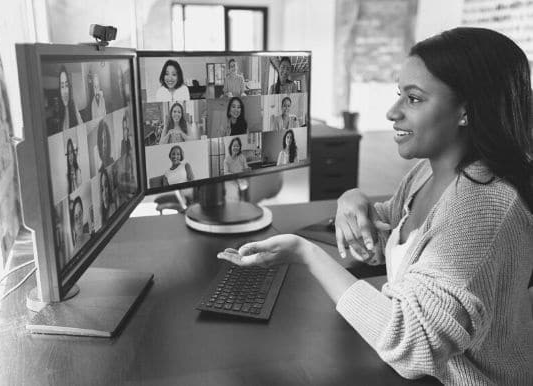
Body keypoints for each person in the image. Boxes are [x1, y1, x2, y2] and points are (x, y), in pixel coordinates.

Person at [219, 27, 533, 385]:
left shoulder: (484, 208)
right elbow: (393, 235)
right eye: (399, 94)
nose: (391, 112)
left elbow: (413, 348)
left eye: (413, 99)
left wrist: (305, 253)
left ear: (466, 111)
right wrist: (352, 200)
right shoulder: (427, 174)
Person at [57, 66, 82, 131]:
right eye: (62, 86)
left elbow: (81, 126)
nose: (65, 91)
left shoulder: (73, 106)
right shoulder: (58, 112)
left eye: (66, 85)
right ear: (59, 90)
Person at [118, 111, 136, 198]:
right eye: (125, 129)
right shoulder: (122, 145)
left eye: (129, 128)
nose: (127, 132)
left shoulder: (136, 144)